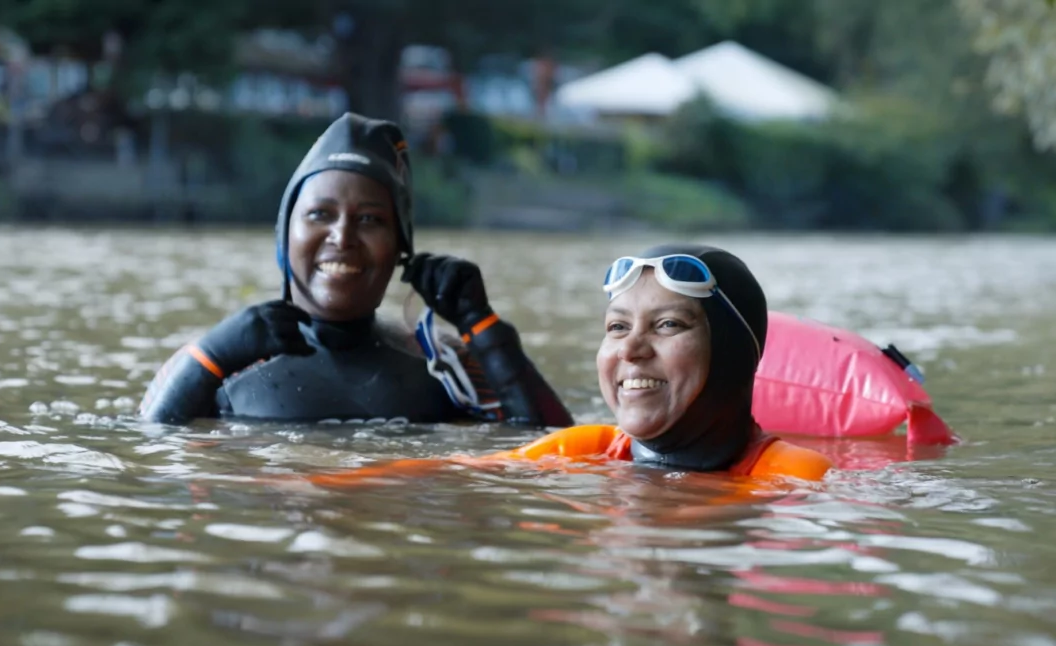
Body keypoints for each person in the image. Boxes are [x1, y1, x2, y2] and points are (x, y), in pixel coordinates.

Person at [140, 112, 572, 428]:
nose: (342, 237)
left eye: (369, 219)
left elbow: (553, 452)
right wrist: (209, 358)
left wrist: (485, 329)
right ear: (284, 236)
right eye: (320, 215)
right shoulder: (215, 363)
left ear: (401, 246)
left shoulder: (446, 362)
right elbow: (146, 458)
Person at [498, 244, 831, 480]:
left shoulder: (797, 477)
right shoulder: (580, 451)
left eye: (668, 324)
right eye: (618, 327)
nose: (629, 350)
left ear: (731, 352)